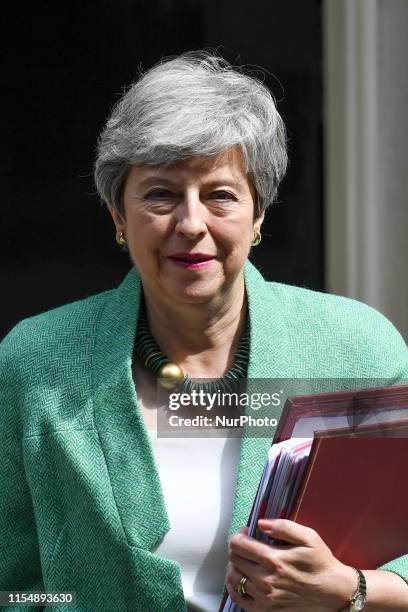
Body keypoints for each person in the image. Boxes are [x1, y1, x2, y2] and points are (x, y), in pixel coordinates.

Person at [0, 50, 407, 612]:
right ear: (118, 215)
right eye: (161, 194)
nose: (191, 224)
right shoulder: (35, 361)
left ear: (259, 214)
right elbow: (11, 583)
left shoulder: (357, 348)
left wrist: (353, 590)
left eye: (220, 194)